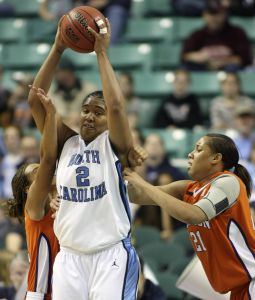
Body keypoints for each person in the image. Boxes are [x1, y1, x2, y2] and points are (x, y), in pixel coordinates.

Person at [28, 17, 140, 300]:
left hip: (110, 255)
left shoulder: (115, 145)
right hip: (69, 256)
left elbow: (116, 105)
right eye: (86, 110)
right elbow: (34, 101)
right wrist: (57, 49)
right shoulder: (67, 142)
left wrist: (101, 53)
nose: (90, 115)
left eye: (97, 112)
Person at [124, 133, 255, 299]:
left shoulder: (228, 181)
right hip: (239, 286)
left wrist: (142, 182)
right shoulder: (189, 188)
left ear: (215, 158)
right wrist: (128, 167)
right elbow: (137, 196)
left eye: (198, 149)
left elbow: (193, 215)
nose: (190, 153)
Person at [8, 88, 59, 300]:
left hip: (66, 289)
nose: (44, 170)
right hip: (40, 294)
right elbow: (48, 158)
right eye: (36, 172)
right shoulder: (34, 209)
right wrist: (50, 116)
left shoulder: (60, 198)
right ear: (29, 190)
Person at [181, 0, 252, 71]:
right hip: (204, 68)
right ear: (204, 15)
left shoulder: (237, 33)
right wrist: (201, 57)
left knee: (233, 67)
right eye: (211, 14)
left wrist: (222, 61)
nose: (214, 18)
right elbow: (184, 57)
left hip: (229, 72)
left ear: (224, 14)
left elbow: (245, 59)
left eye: (217, 14)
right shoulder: (197, 35)